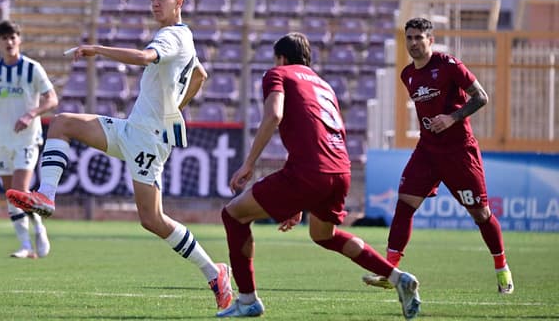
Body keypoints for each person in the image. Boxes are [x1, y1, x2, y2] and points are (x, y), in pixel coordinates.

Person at [6, 0, 234, 310]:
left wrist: (97, 49)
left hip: (147, 140)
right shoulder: (186, 39)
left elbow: (144, 58)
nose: (155, 3)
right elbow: (200, 75)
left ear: (179, 2)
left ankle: (214, 272)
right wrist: (176, 109)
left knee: (153, 219)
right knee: (62, 122)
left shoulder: (172, 36)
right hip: (133, 130)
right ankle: (47, 195)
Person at [218, 32, 421, 319]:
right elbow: (319, 135)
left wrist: (249, 163)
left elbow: (273, 115)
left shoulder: (278, 73)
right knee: (324, 235)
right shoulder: (324, 85)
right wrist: (299, 201)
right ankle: (398, 277)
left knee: (233, 214)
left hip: (310, 171)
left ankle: (248, 299)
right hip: (340, 169)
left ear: (281, 58)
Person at [362, 17, 514, 294]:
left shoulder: (449, 65)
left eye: (419, 38)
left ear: (430, 40)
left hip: (459, 152)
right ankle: (389, 270)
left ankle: (502, 268)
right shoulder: (407, 74)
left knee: (481, 214)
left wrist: (453, 117)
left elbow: (481, 97)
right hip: (427, 151)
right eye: (409, 38)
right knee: (404, 204)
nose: (414, 43)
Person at [0, 21, 59, 259]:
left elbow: (52, 100)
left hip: (28, 139)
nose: (9, 42)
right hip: (2, 139)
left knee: (19, 191)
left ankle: (39, 229)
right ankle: (25, 246)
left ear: (19, 40)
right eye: (4, 38)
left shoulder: (33, 69)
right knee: (10, 193)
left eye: (13, 38)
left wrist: (31, 114)